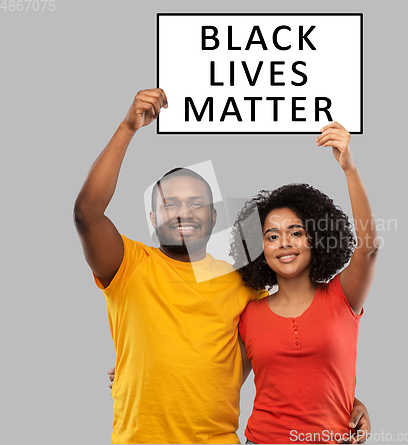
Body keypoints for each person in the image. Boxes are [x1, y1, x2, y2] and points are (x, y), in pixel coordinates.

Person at [75, 88, 371, 444]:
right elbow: (87, 214)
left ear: (214, 216)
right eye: (171, 204)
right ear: (153, 218)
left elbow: (287, 362)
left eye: (196, 202)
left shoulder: (244, 287)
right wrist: (127, 127)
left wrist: (346, 402)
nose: (184, 211)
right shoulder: (128, 265)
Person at [229, 122, 378, 444]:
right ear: (259, 248)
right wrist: (140, 372)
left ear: (316, 239)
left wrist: (349, 169)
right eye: (271, 236)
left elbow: (369, 248)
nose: (284, 243)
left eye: (295, 232)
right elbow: (219, 384)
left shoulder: (343, 296)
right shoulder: (248, 314)